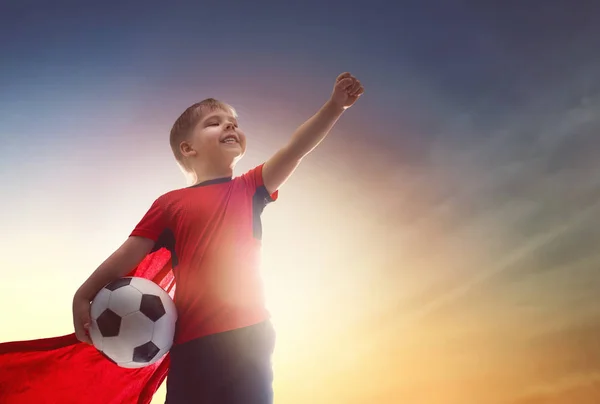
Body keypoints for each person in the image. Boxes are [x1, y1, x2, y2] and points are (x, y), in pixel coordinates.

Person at [71, 72, 364, 403]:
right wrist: (84, 294)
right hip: (191, 342)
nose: (230, 127)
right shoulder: (169, 204)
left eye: (234, 122)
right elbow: (128, 254)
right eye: (215, 123)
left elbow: (296, 148)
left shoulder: (251, 186)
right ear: (188, 148)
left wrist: (335, 106)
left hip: (248, 335)